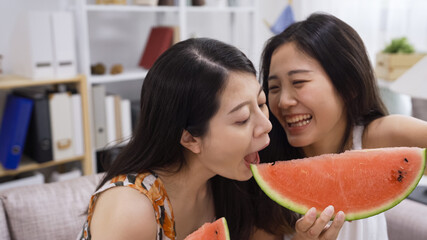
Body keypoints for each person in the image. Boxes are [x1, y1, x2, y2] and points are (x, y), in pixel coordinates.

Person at [77, 38, 344, 240]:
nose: (266, 125)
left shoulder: (229, 179)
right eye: (241, 119)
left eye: (261, 103)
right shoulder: (131, 209)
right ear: (190, 138)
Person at [257, 12, 427, 240]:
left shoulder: (378, 138)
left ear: (348, 86)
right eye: (274, 88)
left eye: (299, 82)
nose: (283, 101)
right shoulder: (264, 166)